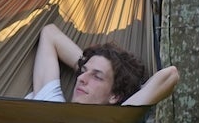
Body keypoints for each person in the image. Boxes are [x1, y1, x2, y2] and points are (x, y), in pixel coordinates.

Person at [27, 21, 180, 107]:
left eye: (97, 77)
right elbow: (50, 33)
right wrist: (87, 65)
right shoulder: (50, 103)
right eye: (82, 72)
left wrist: (128, 89)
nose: (81, 79)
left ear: (114, 96)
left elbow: (170, 74)